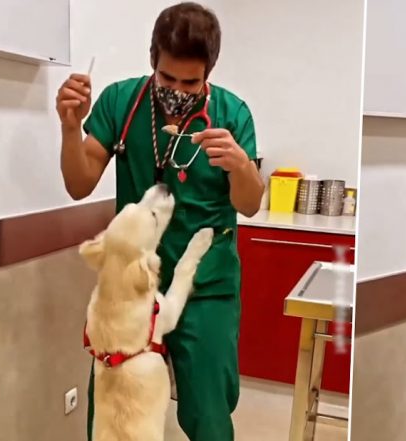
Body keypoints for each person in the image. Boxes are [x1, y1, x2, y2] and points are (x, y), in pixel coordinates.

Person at [55, 2, 264, 440]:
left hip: (206, 286)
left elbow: (248, 204)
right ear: (153, 60)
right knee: (115, 414)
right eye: (168, 78)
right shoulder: (122, 102)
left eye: (191, 81)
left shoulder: (231, 114)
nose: (177, 90)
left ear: (210, 71)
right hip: (133, 286)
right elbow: (79, 183)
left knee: (208, 416)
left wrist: (241, 166)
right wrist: (70, 128)